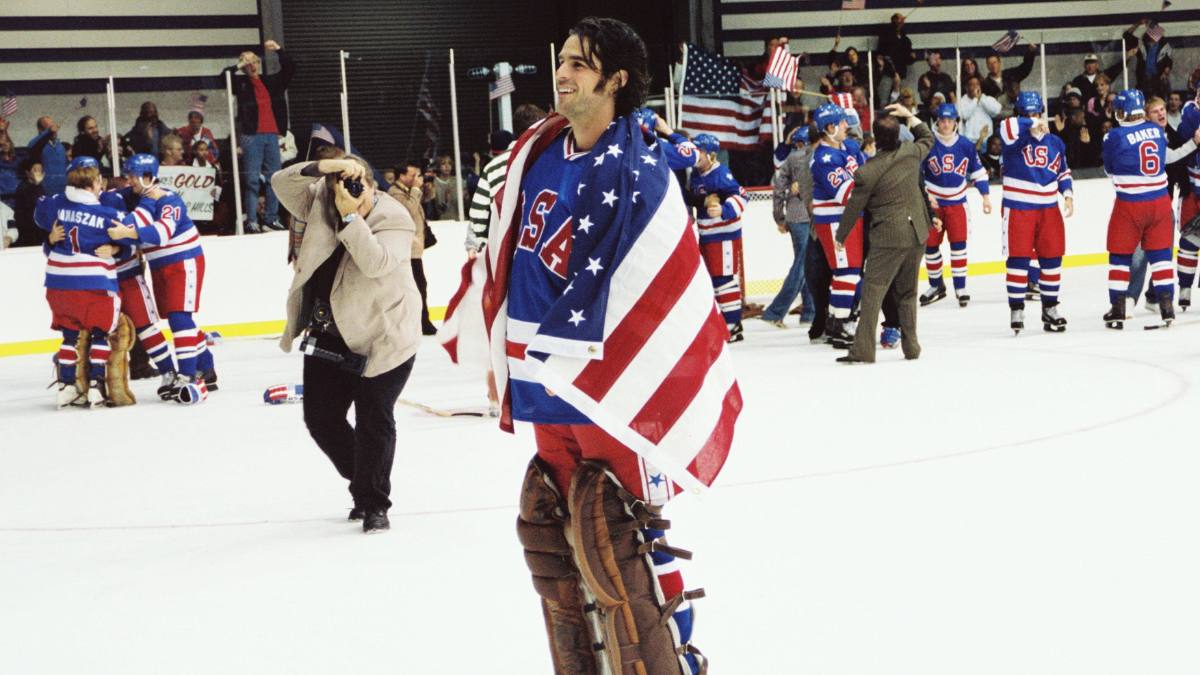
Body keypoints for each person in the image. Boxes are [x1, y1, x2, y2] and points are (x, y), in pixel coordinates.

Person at [487, 17, 733, 674]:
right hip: (543, 382)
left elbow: (664, 295)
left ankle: (675, 659)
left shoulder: (640, 171)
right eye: (561, 59)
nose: (562, 73)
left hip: (608, 393)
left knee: (624, 539)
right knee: (563, 541)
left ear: (615, 80)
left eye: (579, 63)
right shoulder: (534, 157)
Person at [273, 155, 420, 534]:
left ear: (373, 186)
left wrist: (352, 217)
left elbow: (376, 263)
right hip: (331, 331)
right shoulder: (319, 198)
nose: (351, 191)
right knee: (321, 418)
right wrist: (325, 168)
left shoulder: (394, 217)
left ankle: (373, 503)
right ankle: (363, 481)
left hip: (384, 336)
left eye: (359, 185)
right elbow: (280, 182)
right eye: (343, 184)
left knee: (374, 417)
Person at [106, 154, 217, 399]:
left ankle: (187, 376)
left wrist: (128, 231)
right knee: (177, 319)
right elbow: (108, 198)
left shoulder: (169, 199)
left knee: (179, 319)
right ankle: (206, 367)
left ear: (148, 176)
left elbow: (162, 233)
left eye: (134, 176)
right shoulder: (136, 195)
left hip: (183, 261)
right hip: (160, 266)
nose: (129, 181)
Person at [834, 103, 934, 364]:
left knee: (873, 293)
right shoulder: (911, 152)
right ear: (899, 134)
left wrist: (840, 237)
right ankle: (911, 347)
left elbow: (854, 207)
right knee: (908, 292)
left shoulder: (868, 171)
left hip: (889, 237)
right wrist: (910, 114)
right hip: (917, 234)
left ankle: (864, 350)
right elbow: (928, 137)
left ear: (875, 139)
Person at [33, 157, 136, 407]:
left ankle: (67, 386)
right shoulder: (108, 213)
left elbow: (38, 216)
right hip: (93, 282)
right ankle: (95, 386)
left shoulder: (56, 205)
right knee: (101, 332)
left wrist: (50, 239)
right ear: (92, 183)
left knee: (69, 335)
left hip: (57, 281)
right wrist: (116, 249)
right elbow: (131, 240)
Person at [1100, 90, 1199, 329]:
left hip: (1130, 203)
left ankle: (1119, 307)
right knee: (1162, 257)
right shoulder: (1157, 132)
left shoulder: (1114, 135)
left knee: (1121, 256)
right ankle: (1166, 306)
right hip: (1159, 203)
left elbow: (1109, 170)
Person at [998, 91, 1074, 334]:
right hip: (1019, 208)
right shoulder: (1013, 140)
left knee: (1052, 259)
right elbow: (1007, 126)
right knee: (1018, 259)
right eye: (1026, 114)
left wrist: (1068, 194)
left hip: (1048, 209)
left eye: (1036, 113)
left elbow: (1062, 171)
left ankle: (1050, 308)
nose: (1033, 118)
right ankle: (1017, 308)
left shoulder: (1055, 142)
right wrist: (1030, 122)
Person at [920, 103, 992, 308]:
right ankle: (936, 285)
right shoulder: (928, 143)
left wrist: (985, 196)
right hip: (933, 203)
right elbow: (918, 173)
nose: (945, 124)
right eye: (942, 120)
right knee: (931, 246)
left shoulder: (966, 145)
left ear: (956, 123)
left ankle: (961, 288)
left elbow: (978, 172)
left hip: (957, 203)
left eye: (949, 120)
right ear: (937, 122)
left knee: (958, 247)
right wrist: (924, 195)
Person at [810, 102, 868, 348]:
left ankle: (836, 321)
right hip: (835, 221)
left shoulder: (844, 148)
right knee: (847, 272)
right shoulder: (824, 158)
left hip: (848, 219)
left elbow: (864, 169)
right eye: (842, 122)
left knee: (848, 272)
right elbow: (847, 193)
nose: (847, 125)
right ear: (830, 127)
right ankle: (842, 325)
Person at [225, 39, 295, 233]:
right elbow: (223, 77)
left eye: (254, 62)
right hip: (251, 136)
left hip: (271, 135)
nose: (252, 66)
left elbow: (290, 68)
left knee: (275, 177)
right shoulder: (241, 84)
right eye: (247, 64)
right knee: (252, 179)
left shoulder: (270, 82)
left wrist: (279, 50)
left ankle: (271, 217)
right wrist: (240, 64)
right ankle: (253, 220)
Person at [688, 132, 749, 341]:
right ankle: (726, 322)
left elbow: (742, 196)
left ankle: (732, 324)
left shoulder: (721, 173)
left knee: (724, 279)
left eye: (700, 152)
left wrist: (724, 209)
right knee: (714, 279)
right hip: (707, 235)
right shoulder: (696, 175)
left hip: (724, 235)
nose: (696, 156)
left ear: (712, 155)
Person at [764, 125, 815, 326]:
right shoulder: (815, 156)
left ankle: (810, 312)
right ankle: (775, 312)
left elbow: (778, 188)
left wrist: (779, 217)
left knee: (805, 263)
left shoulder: (791, 159)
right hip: (811, 215)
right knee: (803, 265)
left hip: (795, 216)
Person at [386, 161, 437, 335]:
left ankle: (422, 322)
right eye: (412, 175)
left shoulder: (409, 191)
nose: (416, 178)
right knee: (417, 286)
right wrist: (416, 190)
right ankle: (422, 323)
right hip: (405, 250)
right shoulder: (394, 193)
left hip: (414, 249)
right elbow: (407, 210)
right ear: (401, 176)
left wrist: (426, 187)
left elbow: (427, 200)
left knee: (419, 286)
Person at [28, 116, 68, 196]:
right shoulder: (38, 146)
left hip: (63, 191)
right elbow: (31, 146)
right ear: (40, 130)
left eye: (53, 126)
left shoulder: (61, 146)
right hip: (46, 191)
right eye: (49, 127)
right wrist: (48, 132)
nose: (53, 130)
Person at [957, 76, 1001, 149]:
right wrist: (975, 100)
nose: (975, 87)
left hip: (987, 141)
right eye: (972, 84)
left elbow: (997, 111)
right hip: (969, 142)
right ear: (966, 87)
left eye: (977, 84)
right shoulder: (961, 101)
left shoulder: (986, 99)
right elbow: (964, 115)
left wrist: (981, 99)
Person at [13, 159, 46, 247]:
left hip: (38, 226)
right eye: (35, 170)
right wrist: (37, 184)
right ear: (27, 173)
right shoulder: (23, 188)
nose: (39, 172)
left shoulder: (39, 186)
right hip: (28, 229)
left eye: (40, 170)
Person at [877, 12, 916, 79]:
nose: (902, 21)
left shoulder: (905, 39)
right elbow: (882, 52)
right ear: (894, 20)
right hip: (888, 72)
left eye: (902, 19)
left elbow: (908, 56)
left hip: (901, 71)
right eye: (899, 19)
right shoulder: (885, 36)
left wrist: (912, 57)